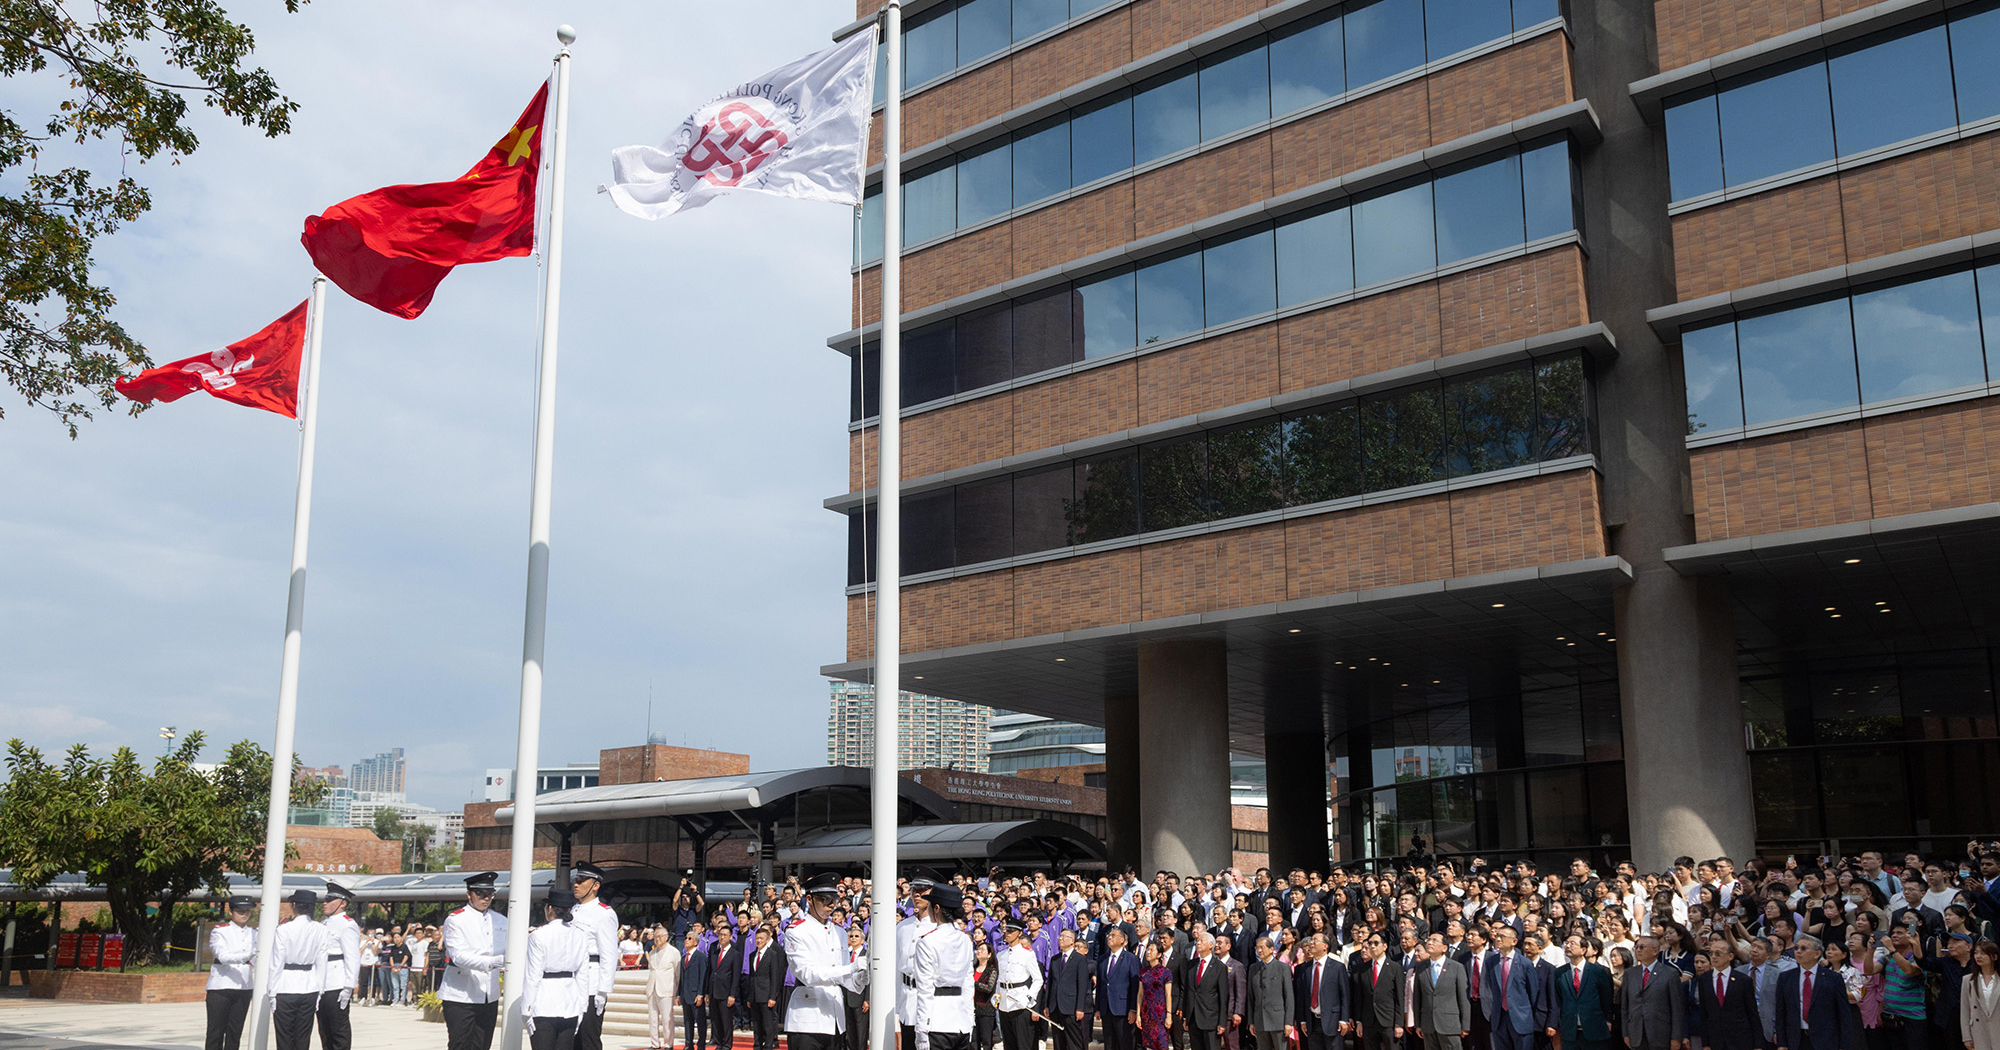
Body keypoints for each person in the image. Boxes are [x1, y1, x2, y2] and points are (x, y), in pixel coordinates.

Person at [785, 872, 868, 1050]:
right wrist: (851, 968)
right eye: (824, 899)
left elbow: (846, 978)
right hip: (807, 1018)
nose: (830, 904)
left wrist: (860, 978)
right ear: (809, 899)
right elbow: (807, 975)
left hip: (835, 1018)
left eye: (834, 899)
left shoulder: (839, 931)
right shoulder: (796, 931)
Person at [522, 885, 597, 1050]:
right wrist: (582, 1007)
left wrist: (526, 1009)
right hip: (570, 1002)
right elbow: (583, 975)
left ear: (549, 909)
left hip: (543, 1003)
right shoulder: (581, 935)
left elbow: (533, 975)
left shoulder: (538, 935)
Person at [441, 871, 510, 1050]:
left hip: (489, 994)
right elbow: (458, 956)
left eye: (490, 894)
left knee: (482, 1045)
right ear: (469, 893)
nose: (486, 898)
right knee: (460, 1044)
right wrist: (493, 962)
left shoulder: (500, 920)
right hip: (461, 995)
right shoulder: (456, 920)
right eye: (480, 894)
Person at [915, 883, 978, 1050]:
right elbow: (968, 983)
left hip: (937, 1021)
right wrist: (970, 1020)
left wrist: (922, 1028)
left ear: (936, 908)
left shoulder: (927, 941)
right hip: (961, 1020)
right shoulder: (965, 939)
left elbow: (925, 988)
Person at [268, 889, 328, 1050]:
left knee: (284, 1037)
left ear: (294, 905)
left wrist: (271, 991)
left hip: (285, 986)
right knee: (303, 1037)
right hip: (309, 986)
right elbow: (322, 962)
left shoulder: (283, 929)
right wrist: (320, 990)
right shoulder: (320, 929)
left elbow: (276, 962)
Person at [571, 862, 621, 1050]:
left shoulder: (604, 914)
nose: (576, 884)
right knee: (571, 1039)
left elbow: (609, 955)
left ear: (595, 885)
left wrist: (602, 991)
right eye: (576, 880)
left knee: (588, 1038)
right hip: (571, 982)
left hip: (591, 983)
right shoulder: (572, 910)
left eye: (582, 881)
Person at [1776, 935, 1852, 1050]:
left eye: (1803, 948)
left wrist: (1844, 1045)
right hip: (1796, 1039)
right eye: (1796, 948)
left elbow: (1844, 1014)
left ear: (1817, 954)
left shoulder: (1833, 978)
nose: (1798, 952)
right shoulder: (1785, 977)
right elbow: (1781, 1012)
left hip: (1826, 1039)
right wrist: (1782, 1044)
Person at [204, 895, 257, 1050]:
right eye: (240, 911)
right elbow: (223, 956)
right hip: (221, 986)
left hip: (244, 986)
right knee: (216, 1032)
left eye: (247, 911)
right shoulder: (220, 932)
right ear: (231, 912)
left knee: (235, 1033)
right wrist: (248, 955)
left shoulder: (255, 933)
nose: (244, 914)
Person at [1552, 934, 1614, 1050]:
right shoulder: (1559, 972)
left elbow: (1606, 998)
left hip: (1595, 1029)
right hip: (1570, 1031)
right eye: (1567, 943)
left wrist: (1608, 1019)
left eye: (1572, 943)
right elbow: (1558, 999)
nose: (1568, 946)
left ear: (1583, 950)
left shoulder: (1598, 971)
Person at [318, 882, 360, 1050]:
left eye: (330, 899)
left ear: (343, 903)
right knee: (324, 1031)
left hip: (337, 982)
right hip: (321, 983)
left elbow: (353, 957)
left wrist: (349, 986)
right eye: (325, 899)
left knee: (339, 1031)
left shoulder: (347, 924)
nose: (325, 903)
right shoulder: (323, 923)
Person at [1413, 932, 1471, 1050]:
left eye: (1434, 940)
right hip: (1428, 1024)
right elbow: (1417, 998)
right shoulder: (1421, 967)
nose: (1429, 943)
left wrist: (1465, 1025)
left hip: (1450, 1024)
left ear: (1445, 948)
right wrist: (1418, 1024)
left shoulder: (1456, 967)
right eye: (1428, 940)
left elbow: (1463, 998)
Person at [1695, 940, 1756, 1050]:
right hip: (1715, 1039)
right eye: (1711, 953)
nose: (1713, 957)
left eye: (1718, 953)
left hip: (1740, 1038)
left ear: (1730, 956)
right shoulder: (1703, 979)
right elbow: (1704, 1012)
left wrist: (1758, 1044)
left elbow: (1752, 1013)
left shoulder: (1743, 980)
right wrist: (1706, 1043)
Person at [996, 919, 1044, 1050]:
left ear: (1019, 933)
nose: (1007, 934)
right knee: (1009, 1044)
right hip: (1005, 1003)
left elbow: (1038, 979)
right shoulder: (1001, 955)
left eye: (1011, 931)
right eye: (1006, 931)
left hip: (1020, 1002)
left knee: (1023, 1044)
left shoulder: (1027, 954)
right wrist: (997, 996)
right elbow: (1000, 978)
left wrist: (1028, 997)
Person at [1046, 927, 1094, 1050]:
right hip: (1055, 1007)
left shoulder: (1080, 959)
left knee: (1074, 1042)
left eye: (1064, 937)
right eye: (1059, 937)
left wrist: (1080, 1008)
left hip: (1071, 1007)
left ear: (1072, 941)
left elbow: (1082, 985)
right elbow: (1051, 982)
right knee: (1058, 1042)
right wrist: (1047, 1005)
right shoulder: (1055, 959)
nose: (1060, 939)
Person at [1101, 926, 1144, 1050]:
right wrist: (1098, 1007)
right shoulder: (1102, 959)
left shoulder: (1131, 959)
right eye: (1109, 935)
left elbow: (1135, 985)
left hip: (1123, 1009)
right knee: (1109, 1044)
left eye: (1113, 935)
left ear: (1123, 940)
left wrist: (1133, 1008)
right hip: (1106, 1008)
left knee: (1125, 1043)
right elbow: (1102, 985)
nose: (1109, 937)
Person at [1246, 934, 1291, 1050]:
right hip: (1259, 1020)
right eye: (1257, 948)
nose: (1259, 950)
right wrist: (1251, 1021)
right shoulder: (1253, 968)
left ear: (1271, 949)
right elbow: (1251, 997)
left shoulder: (1283, 968)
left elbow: (1289, 996)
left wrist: (1288, 1022)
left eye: (1262, 947)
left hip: (1278, 1021)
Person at [709, 918, 746, 1050]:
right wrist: (708, 992)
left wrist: (732, 994)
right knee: (716, 1020)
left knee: (726, 1021)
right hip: (714, 991)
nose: (722, 937)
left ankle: (726, 1045)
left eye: (725, 935)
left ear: (731, 937)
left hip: (726, 992)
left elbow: (736, 976)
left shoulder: (735, 954)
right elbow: (710, 972)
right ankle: (718, 1044)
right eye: (720, 934)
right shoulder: (714, 951)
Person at [749, 925, 788, 1050]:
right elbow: (752, 976)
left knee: (768, 1023)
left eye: (761, 938)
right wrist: (750, 996)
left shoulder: (773, 954)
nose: (758, 940)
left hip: (766, 994)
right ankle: (757, 1045)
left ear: (767, 940)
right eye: (757, 938)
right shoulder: (752, 955)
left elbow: (775, 977)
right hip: (755, 994)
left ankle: (769, 1045)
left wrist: (772, 996)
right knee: (756, 1023)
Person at [649, 922, 685, 1050]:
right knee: (653, 1019)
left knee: (667, 1019)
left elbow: (677, 973)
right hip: (652, 989)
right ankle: (654, 1044)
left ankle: (668, 1044)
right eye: (655, 937)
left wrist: (677, 992)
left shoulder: (673, 952)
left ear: (666, 937)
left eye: (659, 936)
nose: (657, 939)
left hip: (667, 989)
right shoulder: (652, 952)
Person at [1962, 940, 2000, 1050]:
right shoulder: (1967, 980)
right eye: (1976, 953)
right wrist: (1967, 1037)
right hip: (1979, 1031)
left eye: (1983, 953)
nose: (1978, 956)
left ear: (1994, 957)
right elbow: (1965, 1010)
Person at [683, 926, 716, 1050]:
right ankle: (688, 1043)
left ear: (696, 942)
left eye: (690, 938)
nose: (686, 940)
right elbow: (682, 977)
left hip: (696, 994)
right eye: (686, 938)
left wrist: (701, 994)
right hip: (686, 994)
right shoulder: (683, 958)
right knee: (688, 1021)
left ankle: (701, 1044)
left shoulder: (701, 957)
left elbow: (703, 976)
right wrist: (678, 994)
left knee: (700, 1021)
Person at [974, 938, 1000, 1050]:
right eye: (978, 949)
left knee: (986, 1041)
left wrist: (973, 983)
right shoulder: (972, 968)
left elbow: (989, 988)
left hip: (986, 1010)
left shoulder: (992, 970)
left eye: (982, 949)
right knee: (973, 1041)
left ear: (989, 955)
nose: (979, 951)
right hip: (971, 1009)